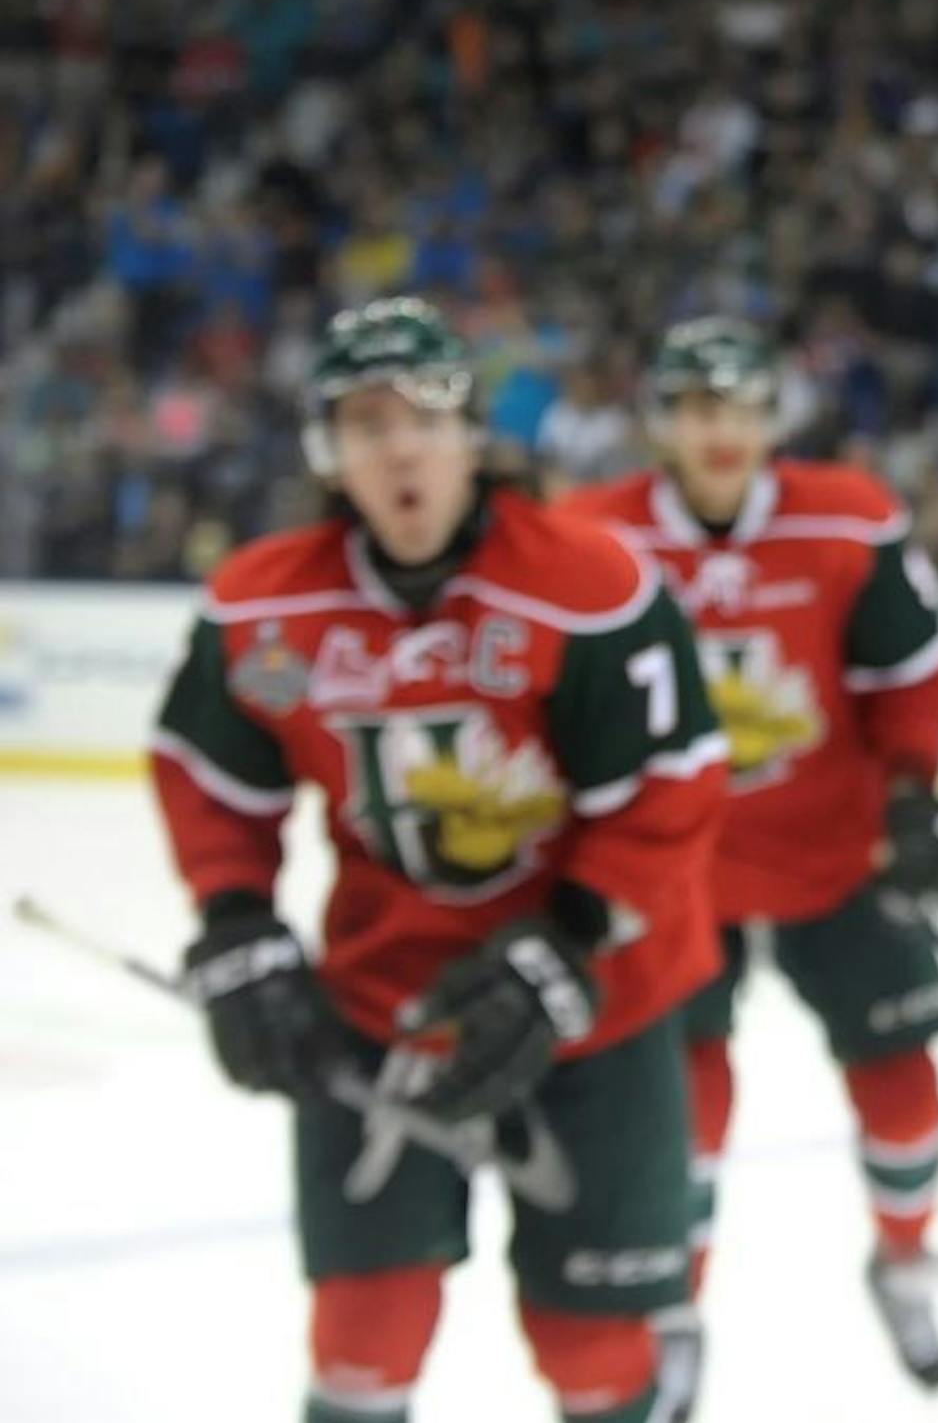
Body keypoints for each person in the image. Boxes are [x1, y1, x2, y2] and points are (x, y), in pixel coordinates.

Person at [151, 297, 728, 1423]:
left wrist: (568, 943)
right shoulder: (270, 610)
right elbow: (215, 776)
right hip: (388, 1001)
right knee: (365, 1331)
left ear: (472, 433)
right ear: (330, 450)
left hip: (601, 1006)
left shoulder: (589, 586)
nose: (399, 445)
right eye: (367, 422)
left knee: (592, 1341)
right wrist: (234, 922)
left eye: (423, 415)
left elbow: (665, 787)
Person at [560, 317, 938, 1388]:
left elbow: (912, 677)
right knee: (688, 1111)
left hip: (834, 852)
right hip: (673, 872)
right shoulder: (593, 541)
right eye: (699, 407)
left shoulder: (848, 519)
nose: (721, 429)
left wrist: (918, 794)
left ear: (770, 415)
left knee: (907, 1094)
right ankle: (674, 1309)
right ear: (662, 422)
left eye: (740, 406)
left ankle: (907, 1260)